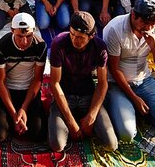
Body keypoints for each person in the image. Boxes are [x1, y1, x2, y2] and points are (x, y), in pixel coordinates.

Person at [105, 0, 155, 139]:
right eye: (144, 23)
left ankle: (135, 110)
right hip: (118, 84)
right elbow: (114, 69)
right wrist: (134, 98)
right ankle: (120, 105)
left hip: (144, 80)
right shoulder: (115, 29)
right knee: (127, 134)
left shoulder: (154, 29)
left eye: (152, 24)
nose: (149, 28)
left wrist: (154, 47)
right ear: (133, 15)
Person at [48, 11, 117, 153]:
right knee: (57, 145)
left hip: (88, 94)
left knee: (111, 144)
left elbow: (103, 83)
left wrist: (91, 116)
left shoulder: (100, 47)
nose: (74, 40)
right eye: (72, 34)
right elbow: (54, 83)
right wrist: (71, 123)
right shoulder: (59, 43)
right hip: (64, 94)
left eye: (80, 37)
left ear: (91, 36)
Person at [0, 13, 47, 143]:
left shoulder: (40, 46)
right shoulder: (2, 46)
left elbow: (37, 79)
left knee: (38, 134)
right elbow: (1, 81)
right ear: (12, 31)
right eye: (20, 36)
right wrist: (15, 115)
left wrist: (23, 108)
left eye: (29, 36)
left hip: (29, 92)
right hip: (7, 91)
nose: (24, 42)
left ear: (33, 31)